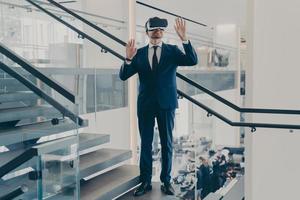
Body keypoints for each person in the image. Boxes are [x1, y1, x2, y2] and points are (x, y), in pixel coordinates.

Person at [119, 17, 198, 196]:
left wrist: (184, 39)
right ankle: (145, 181)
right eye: (154, 29)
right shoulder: (138, 53)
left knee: (167, 144)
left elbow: (193, 60)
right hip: (146, 105)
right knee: (146, 144)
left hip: (166, 104)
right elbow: (123, 76)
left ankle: (166, 181)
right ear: (147, 32)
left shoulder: (172, 51)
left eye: (161, 30)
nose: (158, 32)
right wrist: (128, 59)